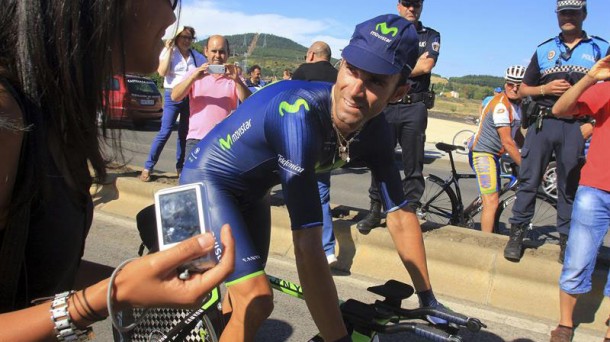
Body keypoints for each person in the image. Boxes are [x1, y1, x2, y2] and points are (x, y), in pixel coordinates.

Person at [180, 14, 448, 341]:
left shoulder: (376, 130)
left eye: (376, 82)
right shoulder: (298, 114)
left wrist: (428, 300)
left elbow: (401, 216)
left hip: (254, 194)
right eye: (351, 70)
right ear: (341, 64)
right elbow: (308, 248)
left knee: (241, 303)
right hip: (208, 179)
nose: (355, 90)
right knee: (256, 298)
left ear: (398, 92)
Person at [0, 0, 235, 339]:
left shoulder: (54, 111)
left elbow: (43, 269)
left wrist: (144, 284)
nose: (172, 16)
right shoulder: (7, 114)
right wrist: (107, 297)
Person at [503, 0, 609, 263]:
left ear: (584, 14)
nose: (568, 17)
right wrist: (544, 90)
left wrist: (593, 125)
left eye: (573, 12)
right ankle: (517, 233)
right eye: (563, 13)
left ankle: (565, 240)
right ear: (557, 16)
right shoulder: (544, 49)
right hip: (543, 122)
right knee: (528, 180)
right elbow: (523, 89)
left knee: (568, 186)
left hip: (577, 126)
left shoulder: (601, 48)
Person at [357, 0, 441, 233]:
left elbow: (426, 66)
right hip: (386, 105)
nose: (411, 9)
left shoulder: (430, 35)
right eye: (407, 4)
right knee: (379, 157)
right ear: (398, 5)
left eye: (416, 4)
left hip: (414, 107)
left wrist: (390, 70)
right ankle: (375, 209)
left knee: (413, 163)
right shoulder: (388, 31)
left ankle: (410, 211)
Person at [549, 54, 610, 342]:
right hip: (596, 188)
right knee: (577, 259)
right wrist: (590, 77)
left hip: (595, 189)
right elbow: (561, 109)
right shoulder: (607, 90)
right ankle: (565, 324)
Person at [292, 40, 340, 264]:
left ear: (311, 55)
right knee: (321, 194)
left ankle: (304, 247)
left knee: (296, 191)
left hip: (302, 140)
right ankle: (328, 250)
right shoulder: (339, 76)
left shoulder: (302, 71)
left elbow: (288, 100)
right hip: (328, 144)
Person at [140, 26, 206, 182]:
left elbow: (207, 69)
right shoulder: (169, 52)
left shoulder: (195, 56)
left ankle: (180, 168)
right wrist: (169, 48)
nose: (186, 40)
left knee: (184, 134)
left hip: (190, 96)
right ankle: (148, 167)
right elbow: (162, 72)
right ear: (176, 37)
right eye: (183, 37)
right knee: (165, 132)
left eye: (189, 38)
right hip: (172, 95)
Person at [170, 35, 251, 156]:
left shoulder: (235, 77)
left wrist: (237, 81)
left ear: (228, 53)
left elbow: (249, 102)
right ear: (206, 51)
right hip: (196, 140)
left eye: (222, 52)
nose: (217, 56)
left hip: (225, 141)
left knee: (222, 176)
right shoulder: (194, 73)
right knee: (193, 175)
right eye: (214, 51)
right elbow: (175, 96)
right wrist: (193, 78)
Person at [469, 66, 525, 233]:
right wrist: (526, 165)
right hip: (482, 152)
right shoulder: (501, 106)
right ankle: (485, 244)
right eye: (510, 84)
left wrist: (530, 153)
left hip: (495, 154)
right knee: (491, 200)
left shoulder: (518, 105)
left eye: (519, 85)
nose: (514, 88)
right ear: (505, 83)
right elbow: (507, 142)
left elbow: (517, 135)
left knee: (493, 194)